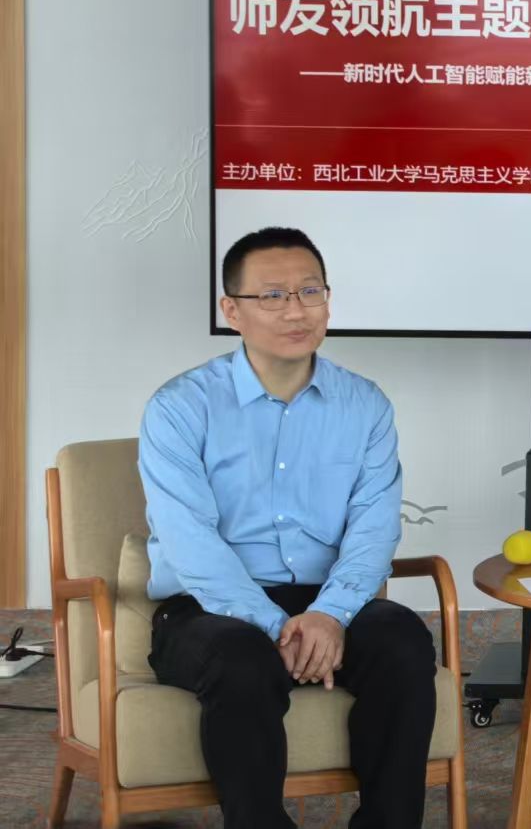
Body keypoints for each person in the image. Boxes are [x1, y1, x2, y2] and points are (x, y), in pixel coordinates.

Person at [139, 227, 437, 829]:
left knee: (403, 639)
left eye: (310, 291)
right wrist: (280, 627)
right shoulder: (180, 407)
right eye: (273, 296)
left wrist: (330, 615)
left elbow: (374, 529)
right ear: (232, 311)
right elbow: (191, 544)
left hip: (326, 602)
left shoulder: (365, 405)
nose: (296, 310)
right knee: (242, 659)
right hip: (206, 610)